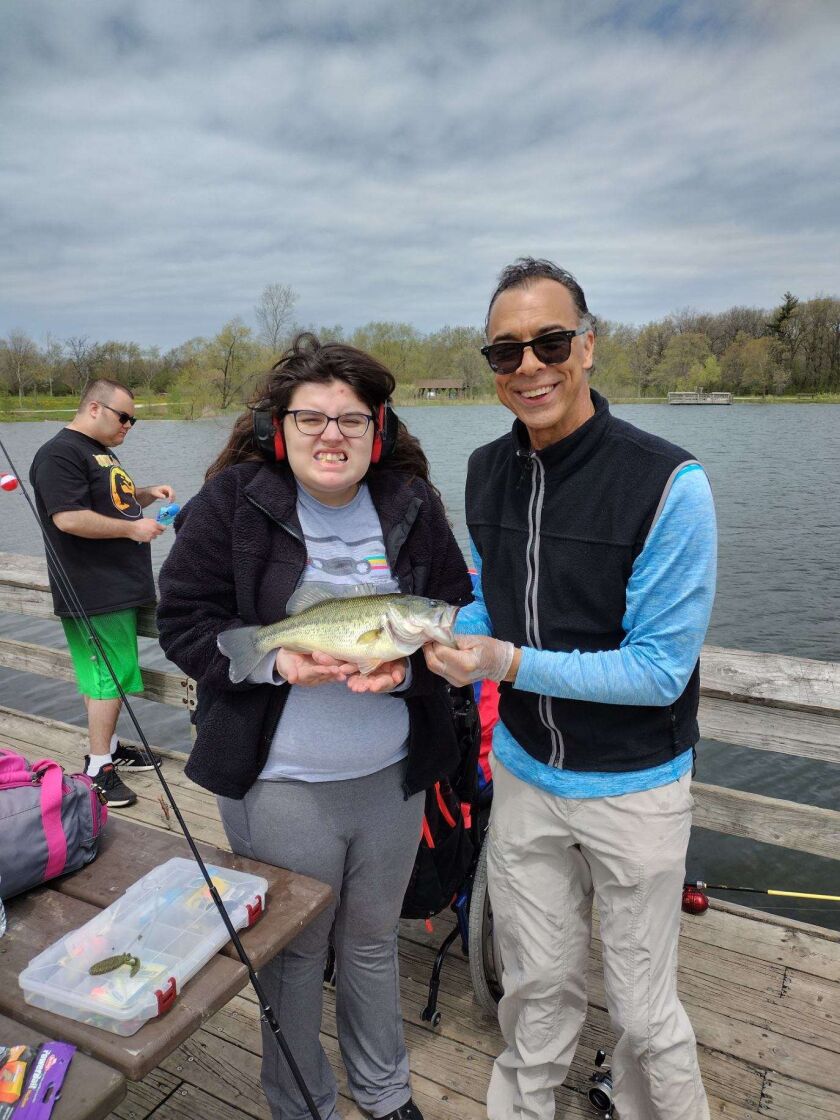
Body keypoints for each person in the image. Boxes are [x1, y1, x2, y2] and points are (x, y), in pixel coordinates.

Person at [425, 258, 716, 1120]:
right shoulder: (484, 470)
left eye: (550, 342)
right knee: (536, 985)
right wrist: (437, 631)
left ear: (587, 347)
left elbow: (660, 667)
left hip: (636, 786)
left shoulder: (668, 482)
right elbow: (490, 598)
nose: (530, 366)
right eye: (505, 351)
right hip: (523, 776)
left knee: (643, 1010)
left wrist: (504, 663)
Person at [156, 334, 472, 1120]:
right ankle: (302, 1104)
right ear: (279, 427)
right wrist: (274, 665)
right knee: (295, 954)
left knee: (371, 943)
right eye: (311, 419)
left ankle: (385, 1089)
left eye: (352, 420)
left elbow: (455, 617)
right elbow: (185, 621)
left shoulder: (413, 504)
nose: (332, 435)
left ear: (379, 429)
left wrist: (409, 670)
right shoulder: (233, 502)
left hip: (392, 782)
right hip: (280, 787)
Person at [29, 378, 173, 808]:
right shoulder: (60, 453)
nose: (129, 425)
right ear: (94, 407)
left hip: (118, 587)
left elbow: (107, 503)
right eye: (123, 416)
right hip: (92, 588)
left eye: (134, 419)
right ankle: (98, 769)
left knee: (115, 673)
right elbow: (69, 519)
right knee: (107, 675)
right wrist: (133, 528)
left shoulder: (99, 453)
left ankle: (108, 750)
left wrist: (145, 495)